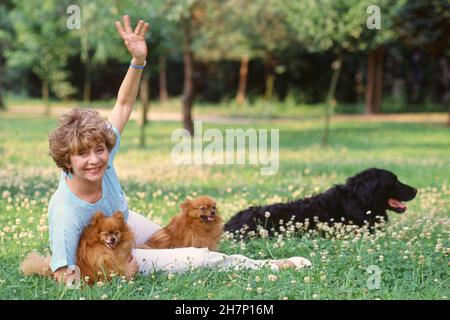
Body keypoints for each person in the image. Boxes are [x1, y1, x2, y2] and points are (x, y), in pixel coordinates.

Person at [47, 16, 311, 284]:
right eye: (83, 155)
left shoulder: (103, 155)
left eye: (100, 150)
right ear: (66, 161)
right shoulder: (64, 210)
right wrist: (117, 272)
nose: (95, 160)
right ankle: (267, 265)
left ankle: (162, 255)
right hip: (104, 251)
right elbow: (62, 275)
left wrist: (138, 61)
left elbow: (124, 105)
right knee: (197, 258)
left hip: (121, 225)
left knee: (170, 240)